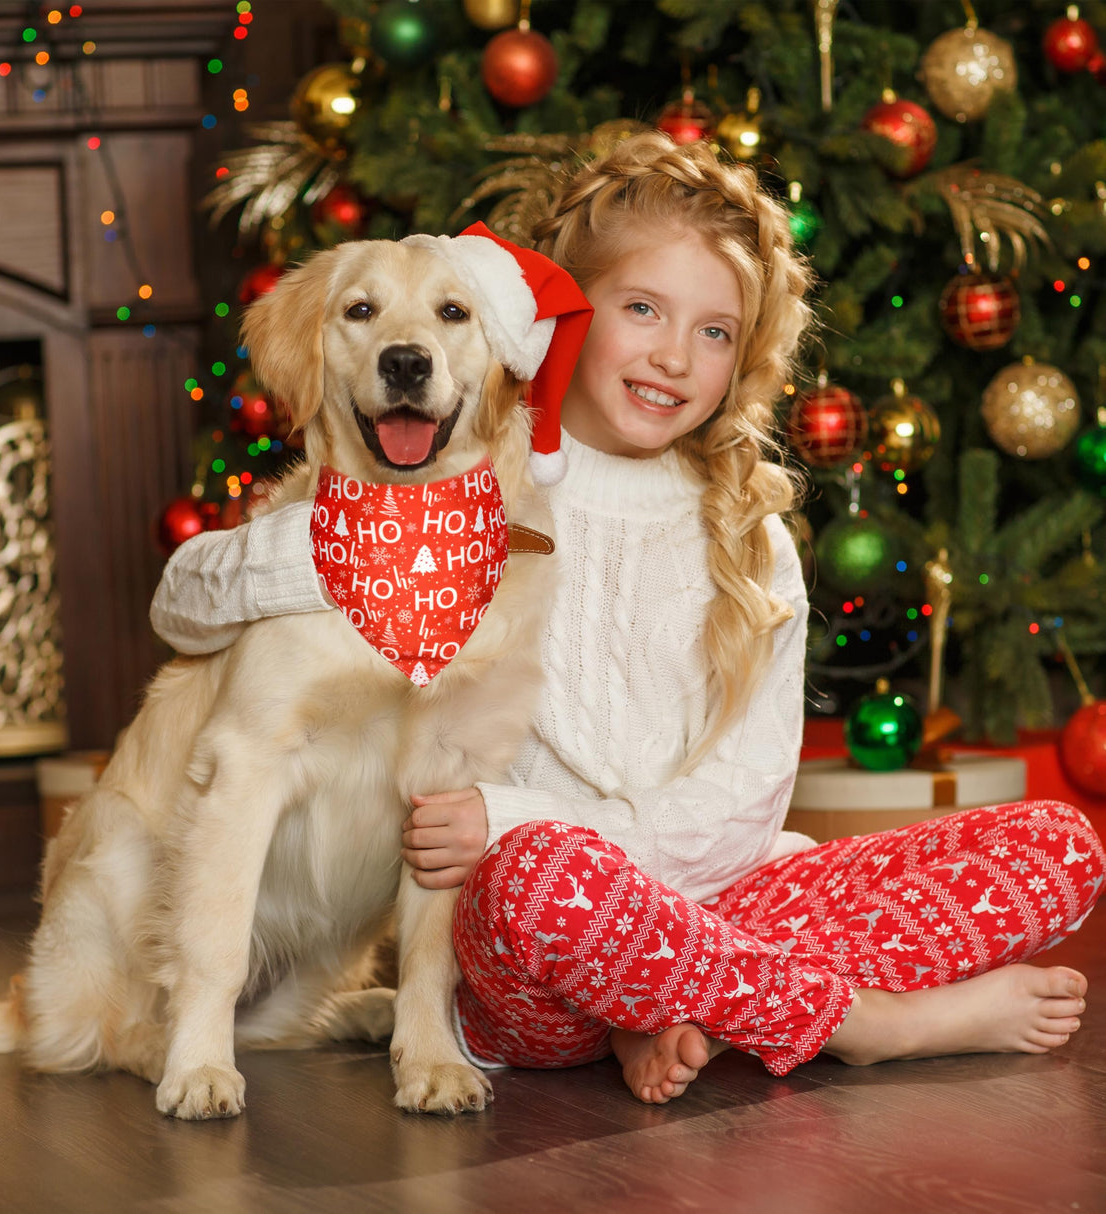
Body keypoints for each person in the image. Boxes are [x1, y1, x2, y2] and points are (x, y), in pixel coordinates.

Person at [150, 131, 1105, 1105]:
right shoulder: (460, 473)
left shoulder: (749, 534)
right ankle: (859, 1023)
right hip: (529, 950)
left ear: (743, 356)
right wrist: (358, 549)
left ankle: (677, 1005)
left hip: (714, 898)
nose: (671, 356)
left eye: (713, 331)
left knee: (1057, 845)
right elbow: (183, 601)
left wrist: (599, 872)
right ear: (561, 317)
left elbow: (743, 809)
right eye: (641, 308)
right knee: (536, 870)